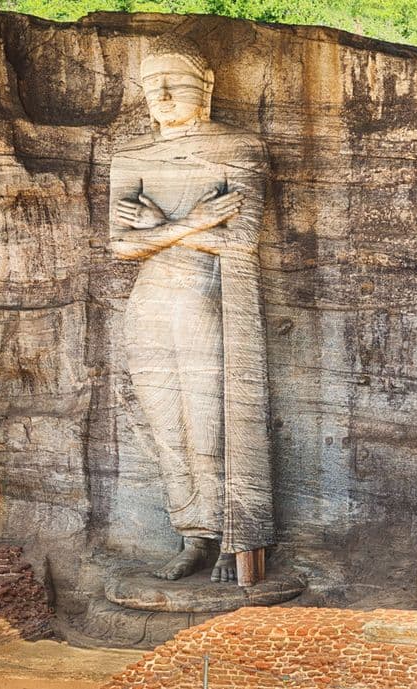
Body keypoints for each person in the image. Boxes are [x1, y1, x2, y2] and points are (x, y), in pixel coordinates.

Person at [108, 34, 272, 584]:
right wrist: (193, 222)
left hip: (206, 300)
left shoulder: (237, 148)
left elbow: (242, 240)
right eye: (151, 85)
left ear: (206, 86)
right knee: (167, 429)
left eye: (173, 83)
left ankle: (231, 537)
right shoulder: (132, 157)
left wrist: (158, 227)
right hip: (149, 304)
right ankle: (193, 536)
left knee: (210, 425)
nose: (161, 95)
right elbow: (121, 245)